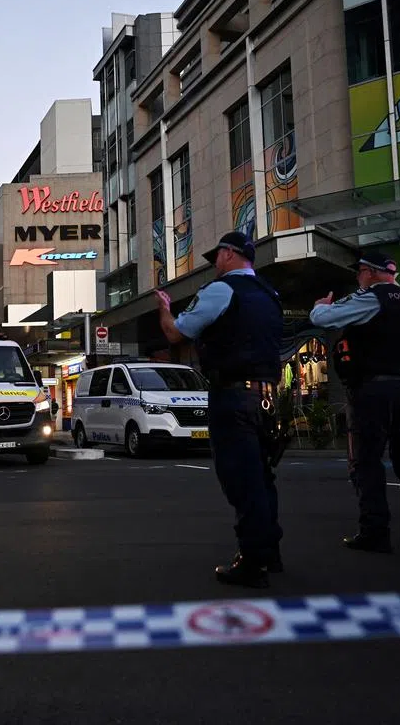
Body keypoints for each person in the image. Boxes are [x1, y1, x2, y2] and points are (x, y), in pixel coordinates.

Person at [155, 231, 284, 588]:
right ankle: (270, 552)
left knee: (242, 479)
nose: (214, 263)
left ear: (229, 254)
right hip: (268, 396)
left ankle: (253, 561)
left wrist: (165, 309)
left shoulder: (222, 289)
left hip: (233, 395)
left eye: (217, 256)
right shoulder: (270, 294)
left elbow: (176, 334)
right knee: (262, 475)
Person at [310, 250, 400, 552]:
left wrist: (320, 308)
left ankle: (375, 531)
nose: (359, 278)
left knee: (367, 460)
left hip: (373, 391)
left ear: (369, 272)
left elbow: (325, 319)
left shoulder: (371, 299)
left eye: (360, 273)